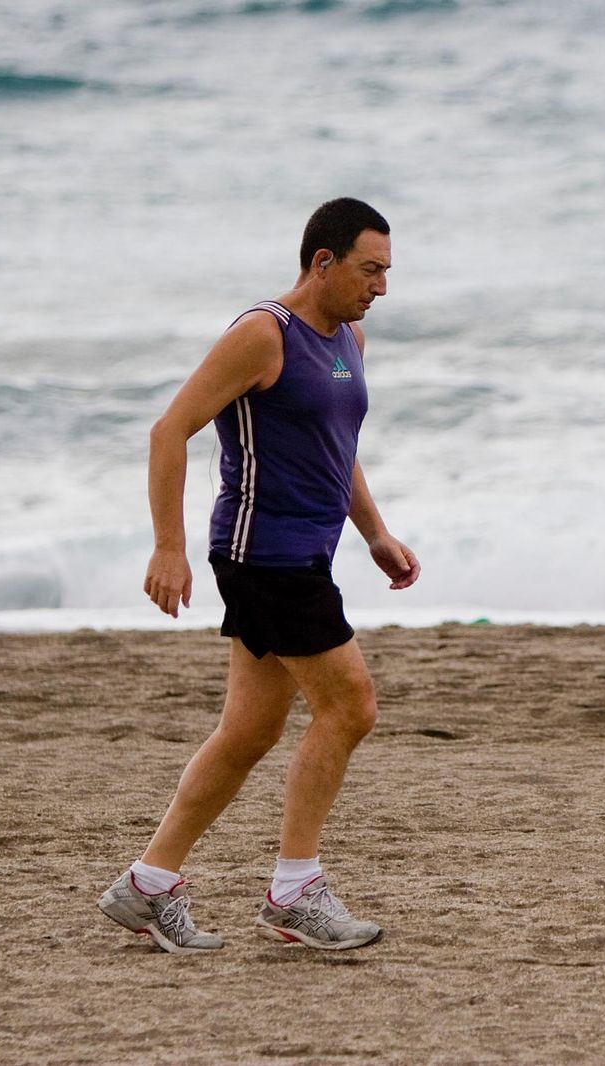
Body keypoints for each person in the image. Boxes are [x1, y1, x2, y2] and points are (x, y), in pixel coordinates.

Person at [97, 198, 420, 953]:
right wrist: (167, 547)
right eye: (370, 270)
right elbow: (169, 430)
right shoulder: (262, 334)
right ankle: (294, 891)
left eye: (387, 271)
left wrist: (374, 533)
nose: (381, 286)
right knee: (351, 706)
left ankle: (148, 884)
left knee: (248, 733)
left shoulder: (349, 339)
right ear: (323, 262)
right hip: (263, 555)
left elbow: (336, 446)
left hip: (305, 553)